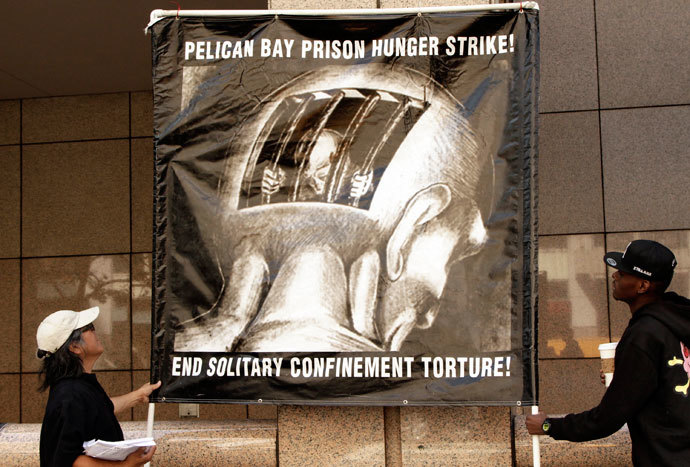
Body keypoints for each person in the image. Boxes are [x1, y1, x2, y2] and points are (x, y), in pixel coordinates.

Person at [526, 239, 690, 466]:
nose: (614, 276)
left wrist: (548, 426)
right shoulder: (679, 319)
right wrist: (627, 376)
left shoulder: (644, 334)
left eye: (622, 273)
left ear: (642, 286)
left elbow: (606, 419)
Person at [37, 306, 161, 467]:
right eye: (89, 328)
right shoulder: (70, 394)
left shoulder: (78, 385)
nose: (96, 332)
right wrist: (125, 465)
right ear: (74, 347)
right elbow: (69, 459)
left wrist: (139, 395)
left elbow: (100, 409)